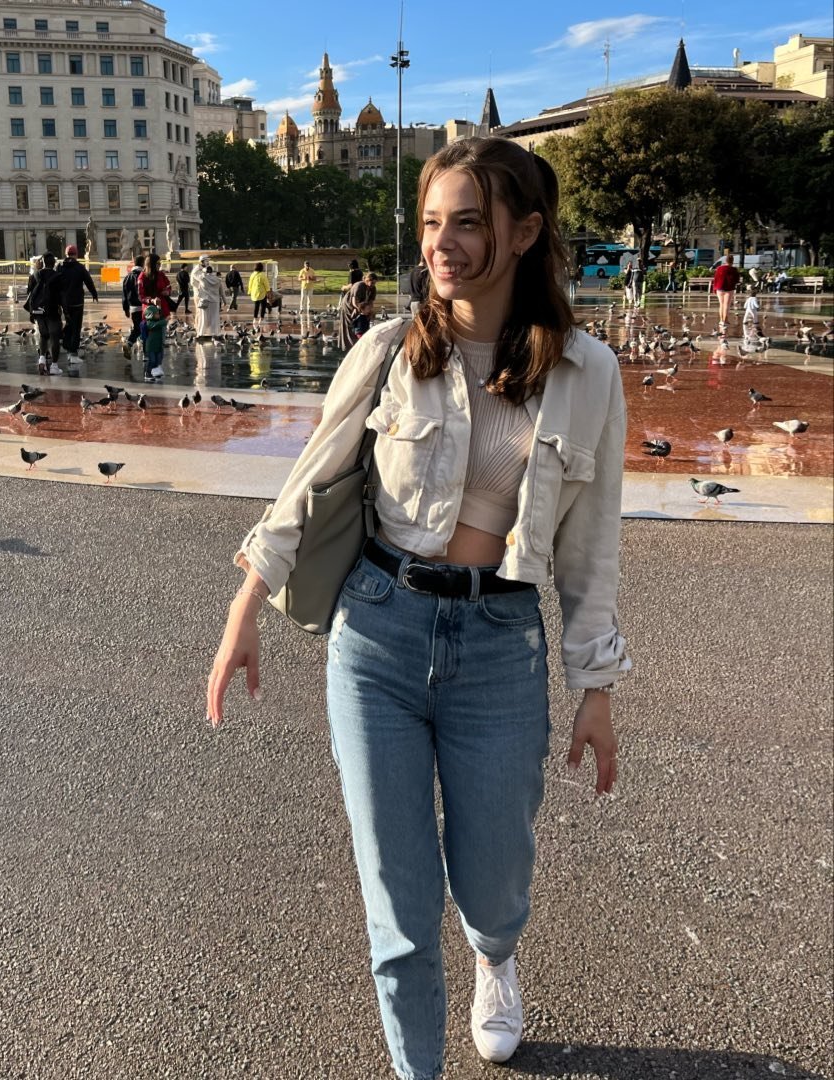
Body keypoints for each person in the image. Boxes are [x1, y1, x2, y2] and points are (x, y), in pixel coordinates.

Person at [207, 136, 628, 1076]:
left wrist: (594, 684)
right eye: (433, 223)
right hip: (377, 634)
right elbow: (307, 481)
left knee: (495, 876)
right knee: (397, 903)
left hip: (500, 643)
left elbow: (592, 544)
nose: (441, 244)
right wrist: (246, 603)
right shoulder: (388, 349)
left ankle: (495, 957)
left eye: (468, 223)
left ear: (527, 232)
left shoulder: (587, 372)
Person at [50, 244, 98, 366]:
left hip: (64, 303)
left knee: (69, 324)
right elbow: (88, 281)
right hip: (77, 302)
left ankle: (66, 345)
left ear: (66, 254)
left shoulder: (60, 267)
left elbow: (55, 283)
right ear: (76, 254)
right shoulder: (79, 267)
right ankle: (73, 353)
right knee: (76, 327)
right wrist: (94, 294)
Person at [26, 252, 63, 375]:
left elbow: (30, 293)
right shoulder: (58, 276)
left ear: (43, 263)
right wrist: (65, 311)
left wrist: (31, 313)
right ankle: (54, 366)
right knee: (54, 337)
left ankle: (41, 359)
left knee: (43, 335)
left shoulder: (35, 275)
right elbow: (62, 295)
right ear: (54, 263)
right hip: (52, 310)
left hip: (38, 310)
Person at [137, 253, 173, 371]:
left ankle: (158, 364)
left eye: (160, 263)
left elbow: (169, 286)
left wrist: (167, 292)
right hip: (149, 312)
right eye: (158, 263)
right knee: (151, 338)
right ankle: (150, 363)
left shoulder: (161, 275)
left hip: (162, 309)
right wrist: (151, 300)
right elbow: (140, 296)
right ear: (151, 264)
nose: (159, 265)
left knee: (161, 338)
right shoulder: (142, 277)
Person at [337, 271, 377, 351]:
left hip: (362, 306)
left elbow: (371, 301)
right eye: (370, 281)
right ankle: (350, 346)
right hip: (349, 306)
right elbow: (354, 302)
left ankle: (361, 343)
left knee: (363, 323)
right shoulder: (359, 285)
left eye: (374, 282)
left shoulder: (373, 288)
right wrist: (360, 310)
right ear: (366, 279)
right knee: (350, 325)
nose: (371, 284)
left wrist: (370, 311)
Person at [193, 260, 226, 340]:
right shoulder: (218, 280)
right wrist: (225, 302)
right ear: (213, 272)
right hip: (215, 301)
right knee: (215, 318)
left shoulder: (203, 278)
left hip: (205, 300)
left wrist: (200, 266)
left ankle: (201, 333)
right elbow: (222, 292)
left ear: (205, 271)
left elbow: (194, 274)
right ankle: (215, 333)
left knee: (203, 318)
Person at [122, 255, 146, 357]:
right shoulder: (143, 275)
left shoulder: (127, 277)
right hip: (143, 306)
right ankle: (146, 353)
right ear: (143, 263)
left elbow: (124, 295)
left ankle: (129, 344)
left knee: (137, 328)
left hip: (133, 308)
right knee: (145, 328)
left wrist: (126, 309)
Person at [712, 254, 741, 328]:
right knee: (726, 305)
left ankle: (721, 320)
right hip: (729, 288)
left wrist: (714, 289)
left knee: (721, 305)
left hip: (719, 288)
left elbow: (716, 278)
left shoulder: (719, 268)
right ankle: (725, 321)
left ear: (725, 261)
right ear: (732, 261)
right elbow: (737, 280)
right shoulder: (734, 270)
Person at [142, 303, 167, 380]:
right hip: (151, 347)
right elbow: (157, 324)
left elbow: (161, 318)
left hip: (158, 346)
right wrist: (165, 321)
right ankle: (148, 373)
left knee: (157, 361)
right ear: (150, 315)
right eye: (156, 314)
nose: (158, 315)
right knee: (152, 361)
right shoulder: (149, 323)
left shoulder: (157, 321)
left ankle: (155, 372)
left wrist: (159, 307)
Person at [247, 262, 270, 326]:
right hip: (262, 293)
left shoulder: (252, 274)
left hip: (254, 293)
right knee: (263, 306)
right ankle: (261, 319)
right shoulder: (262, 275)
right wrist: (268, 291)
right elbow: (266, 284)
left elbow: (250, 283)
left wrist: (249, 291)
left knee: (256, 306)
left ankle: (255, 319)